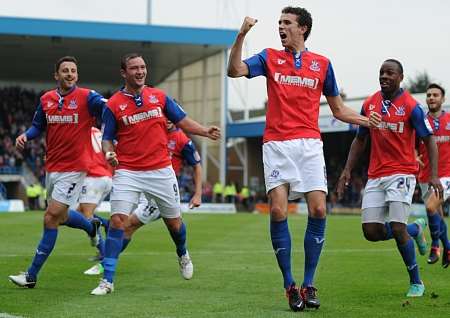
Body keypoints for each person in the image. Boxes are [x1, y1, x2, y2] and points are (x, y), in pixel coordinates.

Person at [227, 6, 380, 312]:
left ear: (303, 28)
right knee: (279, 212)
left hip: (309, 145)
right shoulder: (269, 57)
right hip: (277, 145)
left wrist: (366, 121)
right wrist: (242, 34)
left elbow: (338, 109)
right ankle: (289, 285)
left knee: (319, 209)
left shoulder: (322, 64)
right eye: (279, 23)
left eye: (287, 23)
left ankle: (309, 284)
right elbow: (235, 71)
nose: (281, 27)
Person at [90, 53, 220, 295]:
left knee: (174, 224)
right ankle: (107, 280)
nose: (140, 71)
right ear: (124, 73)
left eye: (142, 67)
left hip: (161, 170)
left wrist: (205, 130)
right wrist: (109, 153)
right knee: (119, 221)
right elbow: (107, 139)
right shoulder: (113, 104)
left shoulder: (159, 97)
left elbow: (183, 121)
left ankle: (182, 253)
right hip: (128, 170)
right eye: (134, 68)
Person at [337, 59, 443, 297]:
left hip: (403, 172)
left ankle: (417, 282)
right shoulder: (370, 104)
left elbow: (430, 140)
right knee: (370, 232)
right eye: (381, 73)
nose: (384, 76)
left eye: (390, 73)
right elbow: (360, 139)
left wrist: (434, 175)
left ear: (400, 77)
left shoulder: (411, 106)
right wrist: (347, 169)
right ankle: (414, 230)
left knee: (396, 227)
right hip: (376, 175)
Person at [9, 56, 106, 288]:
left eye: (73, 70)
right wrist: (26, 135)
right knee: (60, 217)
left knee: (50, 217)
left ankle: (31, 275)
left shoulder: (87, 97)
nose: (70, 74)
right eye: (65, 70)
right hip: (52, 167)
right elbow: (37, 126)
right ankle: (90, 225)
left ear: (77, 75)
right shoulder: (46, 99)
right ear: (56, 75)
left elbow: (107, 107)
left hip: (75, 168)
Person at [84, 119, 204, 275]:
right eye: (164, 116)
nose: (167, 120)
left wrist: (198, 194)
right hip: (141, 187)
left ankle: (182, 253)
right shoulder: (151, 130)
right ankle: (105, 264)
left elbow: (197, 165)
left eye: (170, 117)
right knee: (126, 227)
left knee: (163, 225)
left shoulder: (181, 139)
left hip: (162, 190)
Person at [416, 83, 450, 267]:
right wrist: (415, 156)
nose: (431, 98)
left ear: (442, 99)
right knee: (437, 214)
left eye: (435, 95)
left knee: (430, 208)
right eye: (429, 95)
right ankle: (449, 248)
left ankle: (435, 246)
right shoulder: (420, 120)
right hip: (425, 177)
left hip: (446, 176)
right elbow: (411, 143)